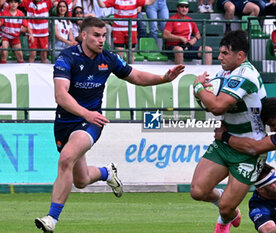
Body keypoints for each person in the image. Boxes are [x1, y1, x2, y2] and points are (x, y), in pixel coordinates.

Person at [34, 17, 185, 233]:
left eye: (104, 35)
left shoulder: (109, 58)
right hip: (66, 123)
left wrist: (163, 78)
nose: (101, 39)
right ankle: (106, 173)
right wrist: (85, 112)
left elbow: (137, 76)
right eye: (96, 35)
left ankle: (51, 219)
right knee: (81, 179)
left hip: (91, 122)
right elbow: (61, 95)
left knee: (66, 158)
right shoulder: (67, 58)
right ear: (83, 35)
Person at [190, 30, 267, 233]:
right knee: (197, 191)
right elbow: (210, 105)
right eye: (220, 52)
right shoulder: (224, 73)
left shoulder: (246, 74)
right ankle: (228, 209)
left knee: (226, 207)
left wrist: (198, 88)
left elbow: (216, 107)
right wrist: (201, 93)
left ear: (240, 56)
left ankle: (224, 219)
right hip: (225, 141)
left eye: (225, 53)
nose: (220, 57)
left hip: (250, 148)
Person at [163, 0, 212, 65]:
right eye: (182, 6)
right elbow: (165, 35)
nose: (184, 9)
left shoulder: (190, 20)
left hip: (187, 46)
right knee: (179, 50)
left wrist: (194, 39)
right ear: (177, 8)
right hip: (173, 46)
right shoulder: (172, 19)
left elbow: (198, 34)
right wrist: (180, 38)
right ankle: (179, 74)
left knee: (208, 50)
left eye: (186, 7)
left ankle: (207, 74)